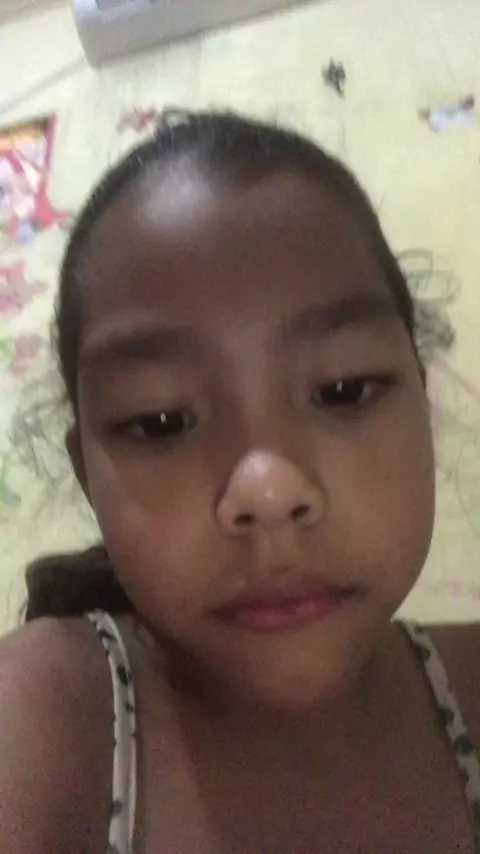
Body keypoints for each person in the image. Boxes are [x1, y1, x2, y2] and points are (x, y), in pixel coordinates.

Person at [1, 109, 479, 854]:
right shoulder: (47, 718)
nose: (268, 490)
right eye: (161, 422)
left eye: (344, 389)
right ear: (88, 476)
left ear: (423, 402)